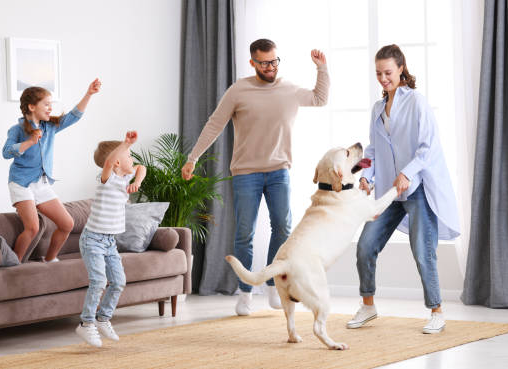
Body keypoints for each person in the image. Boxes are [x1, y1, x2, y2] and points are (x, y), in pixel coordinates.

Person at [181, 38, 330, 316]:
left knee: (283, 230)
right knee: (244, 235)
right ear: (253, 63)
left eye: (274, 61)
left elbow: (320, 99)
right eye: (264, 63)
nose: (270, 67)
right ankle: (246, 293)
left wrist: (321, 69)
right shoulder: (239, 90)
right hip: (246, 173)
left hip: (279, 172)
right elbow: (214, 124)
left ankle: (274, 286)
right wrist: (192, 158)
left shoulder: (289, 89)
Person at [346, 44, 460, 333]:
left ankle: (437, 311)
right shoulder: (377, 108)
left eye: (388, 72)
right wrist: (365, 176)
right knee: (365, 246)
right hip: (388, 192)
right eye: (378, 73)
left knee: (423, 251)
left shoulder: (416, 102)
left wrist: (407, 174)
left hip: (416, 190)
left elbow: (427, 148)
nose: (383, 78)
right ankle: (368, 305)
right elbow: (372, 149)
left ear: (400, 69)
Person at [2, 80, 101, 263]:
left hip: (41, 183)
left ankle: (49, 260)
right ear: (32, 107)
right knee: (32, 228)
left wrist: (89, 94)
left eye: (51, 105)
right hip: (20, 183)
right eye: (46, 104)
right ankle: (13, 265)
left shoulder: (50, 127)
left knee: (67, 223)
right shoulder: (16, 130)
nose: (50, 108)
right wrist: (30, 142)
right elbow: (6, 152)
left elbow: (74, 116)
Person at [75, 131, 146, 347]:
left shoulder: (125, 178)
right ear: (116, 162)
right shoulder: (106, 179)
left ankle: (103, 318)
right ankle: (86, 324)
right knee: (98, 281)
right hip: (93, 240)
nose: (132, 159)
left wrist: (138, 182)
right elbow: (107, 162)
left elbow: (142, 168)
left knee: (119, 282)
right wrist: (125, 143)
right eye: (128, 155)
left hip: (109, 242)